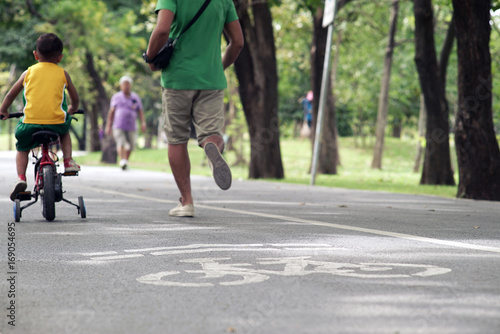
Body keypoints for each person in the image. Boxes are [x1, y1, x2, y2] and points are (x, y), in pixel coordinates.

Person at [144, 0, 244, 217]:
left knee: (177, 139)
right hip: (211, 80)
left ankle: (187, 202)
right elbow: (237, 42)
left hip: (177, 79)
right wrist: (219, 67)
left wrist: (150, 57)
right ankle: (212, 149)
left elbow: (162, 30)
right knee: (211, 134)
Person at [0, 33, 80, 201]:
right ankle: (68, 162)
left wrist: (4, 110)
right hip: (56, 124)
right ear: (60, 57)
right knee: (65, 130)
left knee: (22, 147)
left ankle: (21, 177)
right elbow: (75, 97)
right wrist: (73, 108)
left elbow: (10, 96)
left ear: (36, 55)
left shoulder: (28, 73)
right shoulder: (63, 73)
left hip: (30, 124)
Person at [105, 76, 146, 170]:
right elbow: (111, 112)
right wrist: (108, 126)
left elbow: (140, 111)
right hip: (118, 125)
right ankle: (122, 160)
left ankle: (125, 161)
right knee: (121, 142)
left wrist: (143, 123)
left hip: (131, 125)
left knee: (131, 145)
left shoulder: (135, 97)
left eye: (128, 84)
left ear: (131, 85)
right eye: (124, 84)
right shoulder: (116, 97)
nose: (126, 86)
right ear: (121, 86)